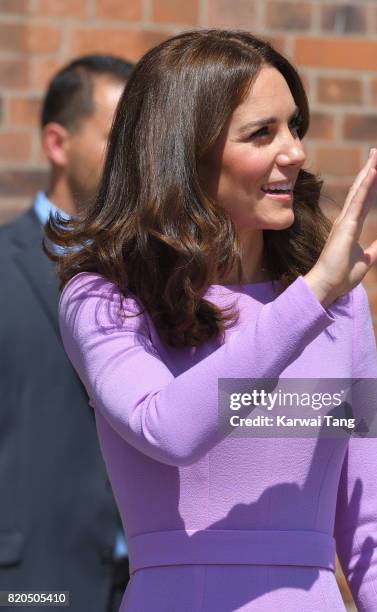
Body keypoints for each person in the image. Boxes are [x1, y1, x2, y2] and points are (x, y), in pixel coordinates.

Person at [45, 30, 377, 611]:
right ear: (186, 151)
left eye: (295, 126)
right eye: (262, 132)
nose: (295, 151)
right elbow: (168, 428)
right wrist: (311, 297)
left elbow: (375, 524)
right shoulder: (104, 296)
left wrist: (315, 295)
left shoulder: (338, 304)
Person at [0, 55, 133, 612]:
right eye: (117, 141)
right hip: (32, 586)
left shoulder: (166, 278)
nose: (137, 163)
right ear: (58, 144)